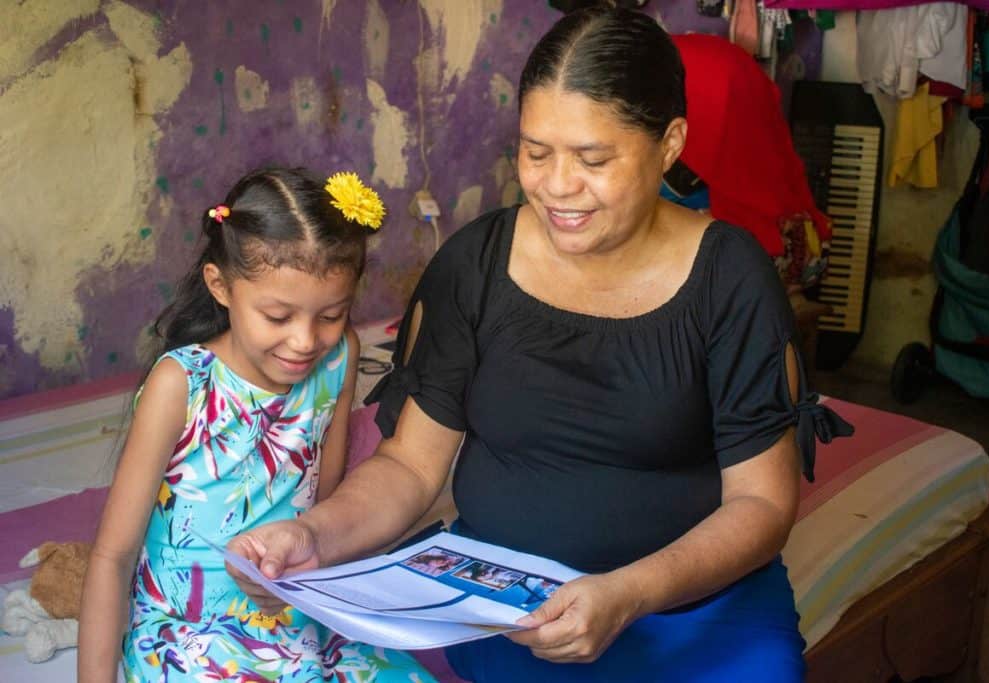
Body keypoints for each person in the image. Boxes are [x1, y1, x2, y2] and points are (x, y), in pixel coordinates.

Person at [227, 9, 852, 683]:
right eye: (534, 152)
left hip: (693, 615)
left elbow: (761, 504)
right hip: (506, 611)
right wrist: (313, 536)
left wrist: (629, 593)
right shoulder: (475, 264)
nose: (556, 186)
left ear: (670, 143)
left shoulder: (730, 279)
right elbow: (410, 465)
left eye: (593, 158)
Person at [77, 168, 437, 683]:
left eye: (332, 314)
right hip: (188, 631)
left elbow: (324, 507)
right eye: (277, 316)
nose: (305, 341)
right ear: (220, 286)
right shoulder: (181, 383)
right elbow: (112, 556)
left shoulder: (339, 356)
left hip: (297, 616)